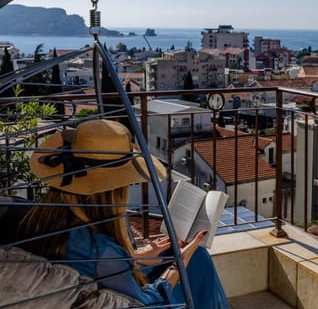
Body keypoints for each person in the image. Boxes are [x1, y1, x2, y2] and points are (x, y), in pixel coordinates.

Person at [19, 119, 230, 308]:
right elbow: (147, 303)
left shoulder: (42, 219)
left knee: (195, 258)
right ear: (114, 190)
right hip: (130, 298)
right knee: (196, 261)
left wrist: (136, 257)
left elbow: (87, 266)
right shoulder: (103, 250)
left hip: (96, 288)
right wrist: (179, 263)